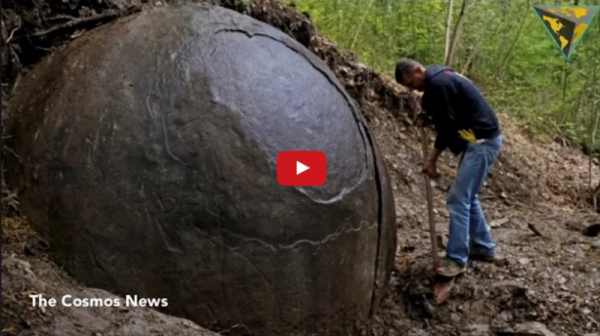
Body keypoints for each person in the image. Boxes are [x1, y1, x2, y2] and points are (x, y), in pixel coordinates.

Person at [394, 58, 503, 278]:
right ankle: (483, 247)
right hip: (480, 140)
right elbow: (449, 114)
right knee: (467, 197)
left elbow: (446, 128)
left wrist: (432, 160)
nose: (413, 89)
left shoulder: (438, 84)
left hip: (482, 142)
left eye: (411, 84)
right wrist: (430, 116)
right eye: (408, 87)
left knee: (458, 198)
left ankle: (456, 259)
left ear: (417, 70)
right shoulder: (441, 78)